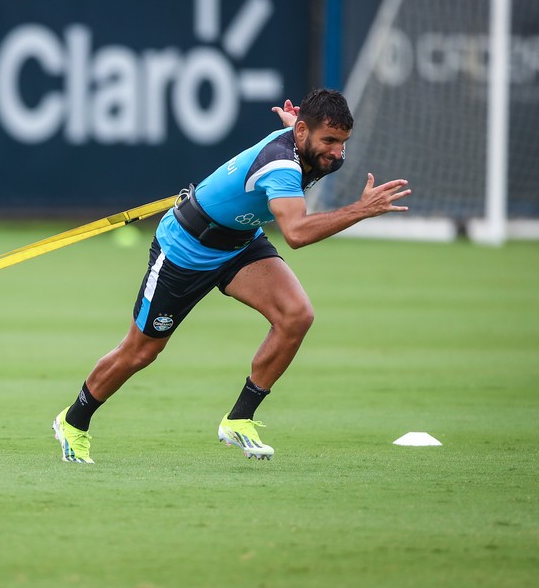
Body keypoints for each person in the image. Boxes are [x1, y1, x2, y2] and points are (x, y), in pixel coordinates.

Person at [52, 89, 411, 463]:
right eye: (330, 141)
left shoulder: (310, 146)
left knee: (296, 315)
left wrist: (297, 127)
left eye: (342, 143)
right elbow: (297, 234)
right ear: (303, 131)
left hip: (239, 244)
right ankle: (73, 422)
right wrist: (361, 210)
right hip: (185, 250)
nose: (337, 153)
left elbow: (301, 142)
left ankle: (239, 419)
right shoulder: (281, 165)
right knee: (141, 351)